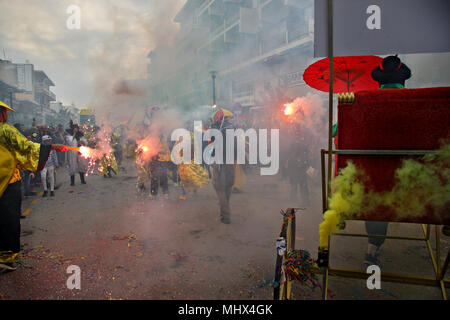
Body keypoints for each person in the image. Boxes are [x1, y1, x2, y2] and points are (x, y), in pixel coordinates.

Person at [0, 101, 66, 271]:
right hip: (8, 182)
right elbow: (27, 147)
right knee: (8, 220)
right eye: (4, 112)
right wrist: (49, 147)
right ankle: (6, 258)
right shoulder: (5, 130)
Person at [364, 55, 412, 265]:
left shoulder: (364, 101)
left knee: (376, 199)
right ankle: (374, 246)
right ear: (403, 79)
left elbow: (336, 131)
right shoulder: (416, 102)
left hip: (369, 180)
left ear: (379, 80)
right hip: (411, 183)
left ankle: (372, 244)